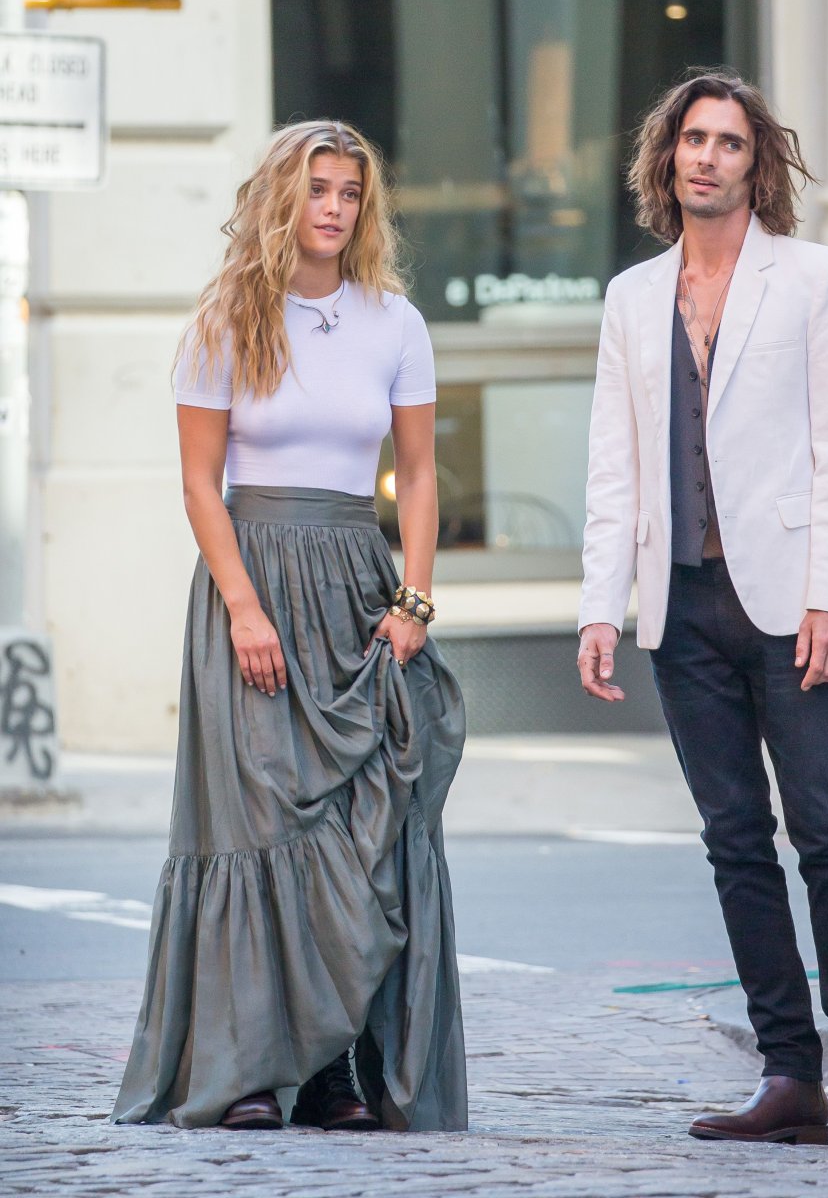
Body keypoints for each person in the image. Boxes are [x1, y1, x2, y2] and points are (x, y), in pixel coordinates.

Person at [577, 71, 828, 1152]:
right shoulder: (633, 298)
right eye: (693, 139)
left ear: (756, 162)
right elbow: (615, 466)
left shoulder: (815, 278)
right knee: (734, 842)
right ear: (666, 157)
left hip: (791, 608)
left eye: (728, 141)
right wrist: (599, 605)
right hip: (682, 609)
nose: (707, 157)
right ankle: (788, 1075)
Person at [112, 120, 468, 1132]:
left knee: (359, 837)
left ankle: (330, 1073)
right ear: (281, 197)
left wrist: (414, 599)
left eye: (351, 192)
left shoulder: (395, 322)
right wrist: (242, 606)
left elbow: (420, 475)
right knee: (258, 826)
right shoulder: (226, 319)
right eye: (318, 188)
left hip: (357, 588)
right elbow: (199, 482)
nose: (335, 208)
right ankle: (248, 1073)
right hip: (251, 585)